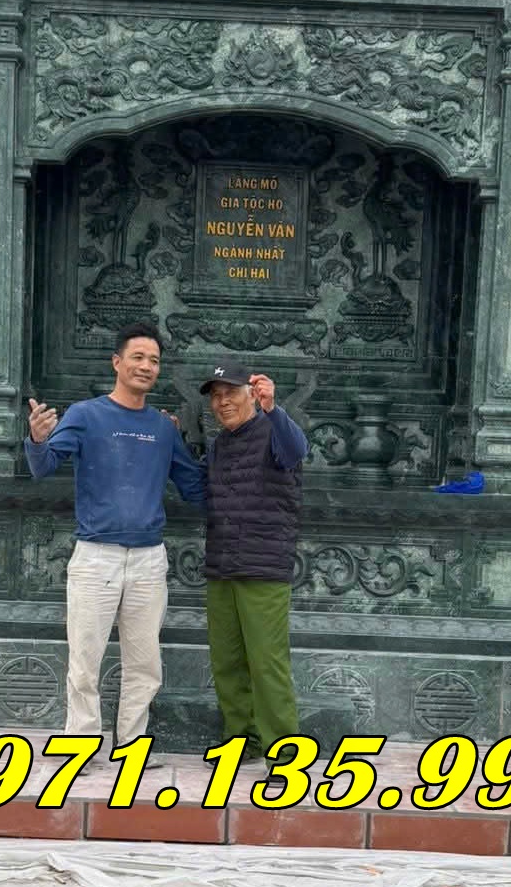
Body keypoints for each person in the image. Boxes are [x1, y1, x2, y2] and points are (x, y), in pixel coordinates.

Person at [25, 322, 206, 756]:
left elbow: (196, 489)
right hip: (96, 558)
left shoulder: (162, 428)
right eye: (138, 357)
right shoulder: (85, 415)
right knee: (84, 662)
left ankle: (132, 746)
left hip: (148, 561)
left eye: (154, 361)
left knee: (145, 665)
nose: (146, 366)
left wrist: (224, 445)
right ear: (117, 362)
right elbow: (43, 467)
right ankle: (80, 746)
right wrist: (37, 438)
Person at [198, 360, 308, 766]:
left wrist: (273, 408)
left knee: (267, 663)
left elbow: (297, 450)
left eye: (230, 392)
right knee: (227, 661)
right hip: (221, 565)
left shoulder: (275, 432)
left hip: (263, 568)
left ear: (251, 393)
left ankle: (283, 751)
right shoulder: (219, 444)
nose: (222, 402)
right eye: (216, 396)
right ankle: (240, 738)